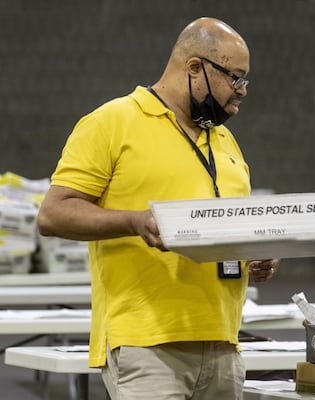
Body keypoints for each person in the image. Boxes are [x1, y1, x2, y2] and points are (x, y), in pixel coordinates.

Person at [36, 17, 280, 400]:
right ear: (195, 67)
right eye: (235, 78)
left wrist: (255, 255)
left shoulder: (226, 142)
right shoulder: (111, 123)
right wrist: (135, 222)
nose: (242, 91)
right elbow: (53, 214)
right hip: (147, 346)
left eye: (244, 80)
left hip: (223, 343)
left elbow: (229, 229)